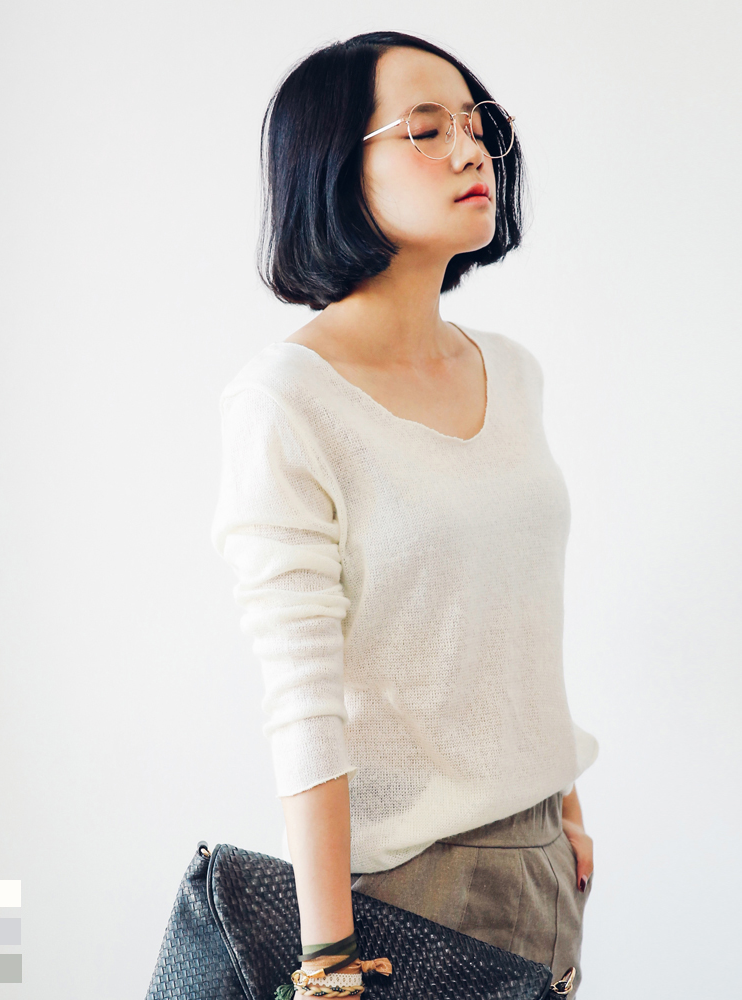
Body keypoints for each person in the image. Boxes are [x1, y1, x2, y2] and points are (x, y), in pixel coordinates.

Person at [210, 30, 598, 998]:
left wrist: (563, 807)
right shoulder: (287, 402)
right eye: (426, 130)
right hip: (406, 892)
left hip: (543, 866)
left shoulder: (511, 373)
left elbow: (509, 616)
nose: (472, 152)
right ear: (334, 170)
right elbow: (303, 699)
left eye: (477, 124)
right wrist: (328, 957)